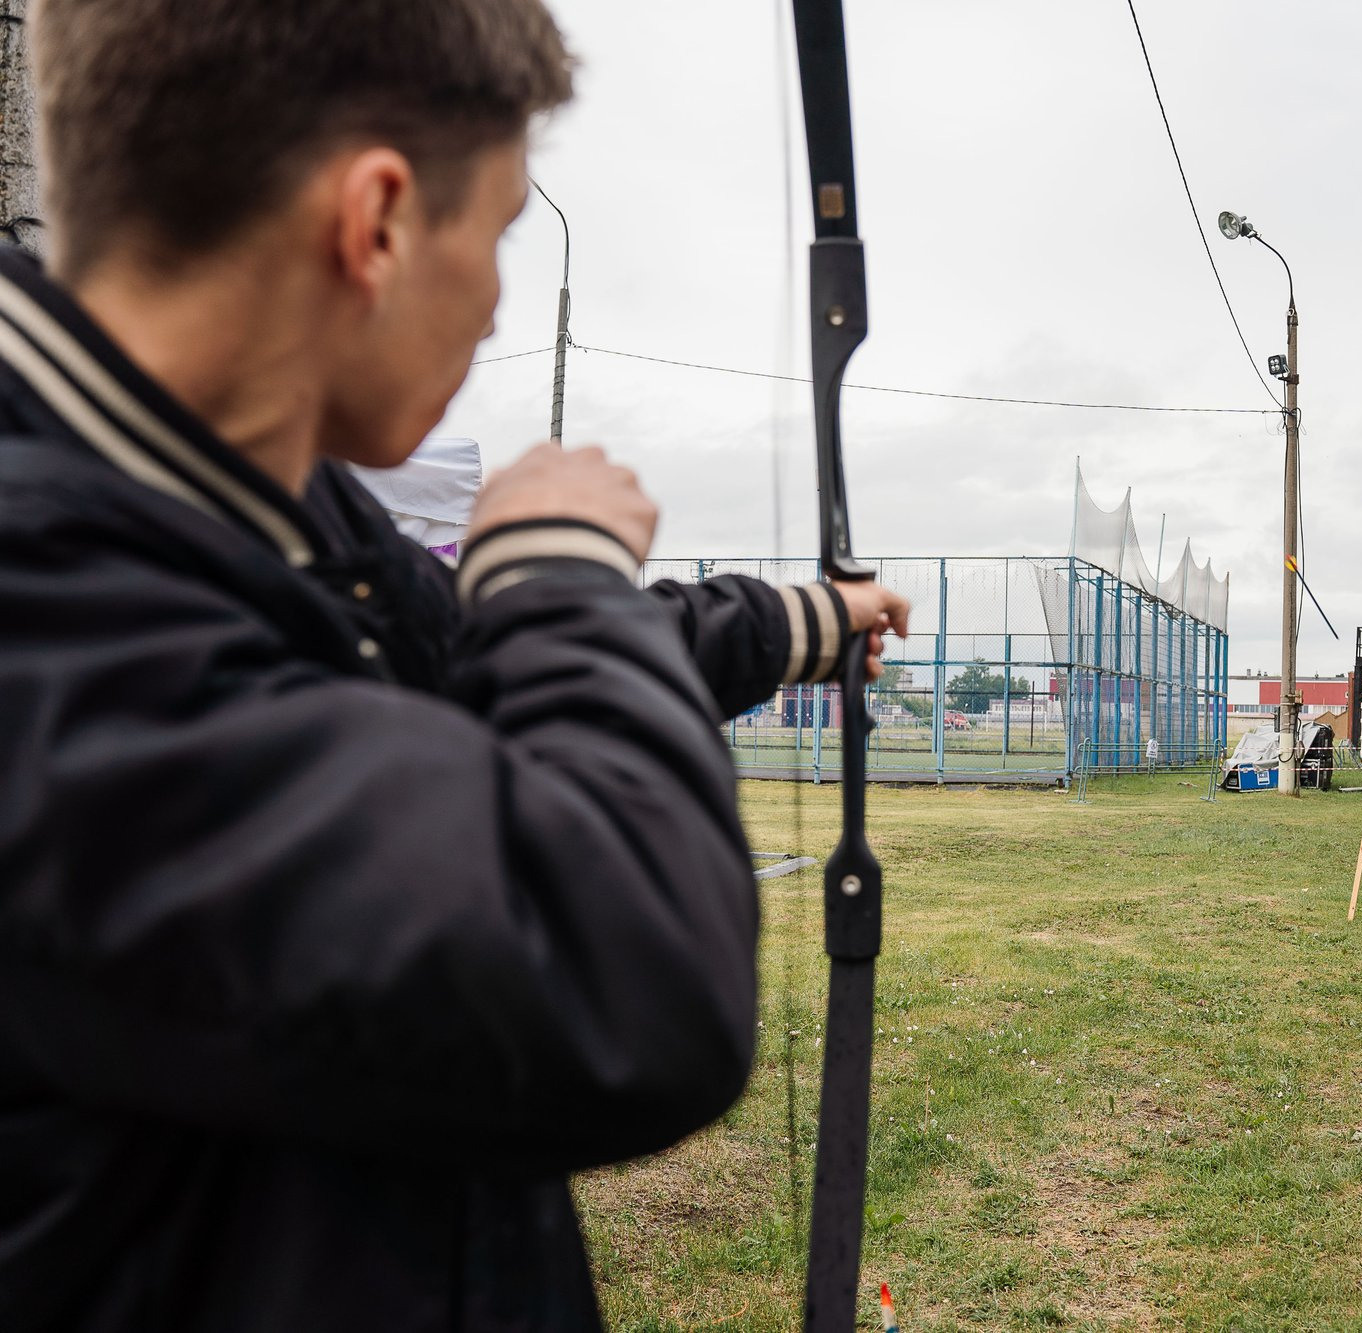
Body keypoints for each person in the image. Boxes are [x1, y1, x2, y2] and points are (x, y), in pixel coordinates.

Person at [0, 2, 909, 1329]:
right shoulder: (49, 620)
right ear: (373, 224)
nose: (492, 301)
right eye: (494, 233)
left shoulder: (251, 512)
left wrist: (797, 621)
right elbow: (623, 966)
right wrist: (560, 572)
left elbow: (466, 662)